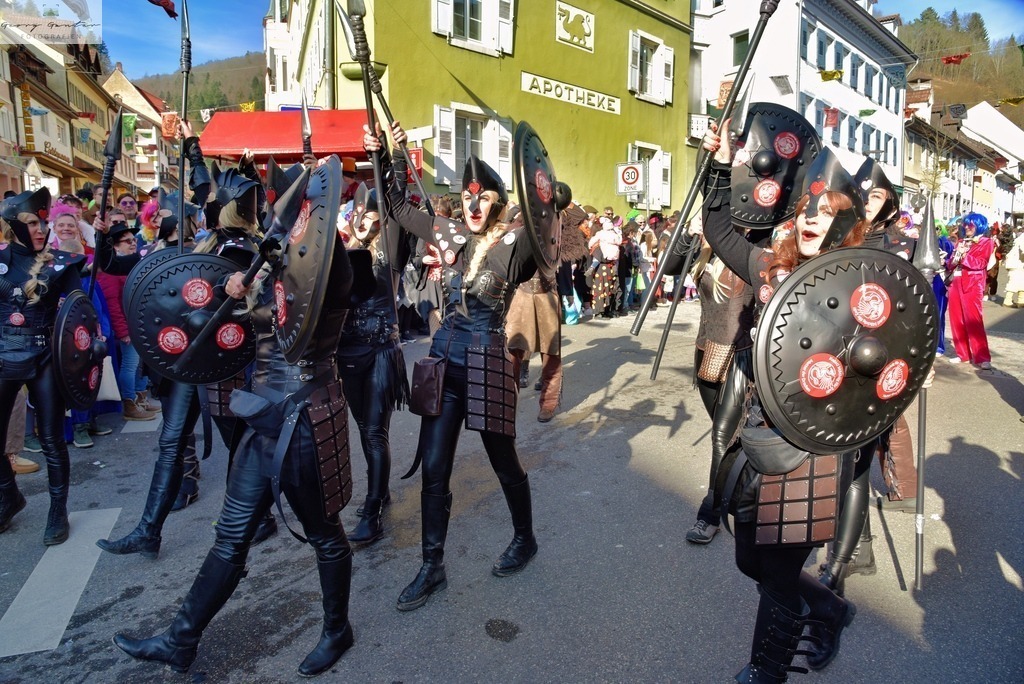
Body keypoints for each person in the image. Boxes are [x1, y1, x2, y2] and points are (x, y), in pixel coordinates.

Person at [113, 163, 363, 677]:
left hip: (306, 411)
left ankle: (338, 628)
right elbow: (255, 315)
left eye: (283, 214)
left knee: (325, 534)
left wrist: (251, 292)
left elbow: (298, 308)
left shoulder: (328, 263)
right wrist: (236, 292)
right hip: (263, 407)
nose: (272, 223)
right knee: (230, 535)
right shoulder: (276, 257)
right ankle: (181, 640)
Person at [701, 122, 868, 681]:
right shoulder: (772, 269)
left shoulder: (863, 287)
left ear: (847, 219)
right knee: (750, 556)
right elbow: (721, 231)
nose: (814, 215)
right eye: (808, 207)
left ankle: (764, 672)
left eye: (829, 207)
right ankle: (829, 607)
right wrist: (722, 167)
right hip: (762, 432)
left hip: (815, 446)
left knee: (776, 574)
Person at [367, 121, 545, 611]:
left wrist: (540, 191)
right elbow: (400, 209)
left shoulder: (514, 244)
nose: (472, 206)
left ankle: (524, 538)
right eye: (468, 198)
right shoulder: (445, 231)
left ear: (497, 203)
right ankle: (432, 566)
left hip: (487, 362)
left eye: (483, 198)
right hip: (443, 362)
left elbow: (545, 232)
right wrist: (391, 155)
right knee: (435, 470)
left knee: (503, 460)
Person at [95, 128, 269, 559]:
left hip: (224, 364)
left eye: (214, 206)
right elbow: (203, 188)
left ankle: (257, 516)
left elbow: (256, 311)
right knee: (171, 441)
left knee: (237, 443)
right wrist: (192, 149)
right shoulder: (207, 243)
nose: (205, 207)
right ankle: (148, 530)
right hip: (191, 363)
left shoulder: (250, 252)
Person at [0, 188, 86, 544]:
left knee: (52, 440)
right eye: (32, 222)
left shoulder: (60, 264)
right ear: (12, 226)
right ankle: (9, 496)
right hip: (3, 357)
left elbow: (80, 315)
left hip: (46, 357)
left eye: (42, 221)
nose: (40, 228)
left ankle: (57, 510)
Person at [337, 180, 412, 545]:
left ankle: (373, 510)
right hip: (347, 355)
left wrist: (385, 160)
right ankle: (379, 493)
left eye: (370, 215)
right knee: (365, 429)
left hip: (382, 352)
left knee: (372, 432)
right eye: (356, 214)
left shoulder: (389, 251)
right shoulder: (338, 252)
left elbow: (398, 211)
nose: (362, 220)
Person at [94, 212, 157, 422]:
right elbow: (112, 304)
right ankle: (129, 403)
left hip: (136, 324)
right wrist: (123, 331)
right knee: (129, 365)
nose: (132, 243)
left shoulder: (130, 264)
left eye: (134, 240)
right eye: (127, 241)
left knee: (138, 365)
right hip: (126, 328)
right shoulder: (111, 271)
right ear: (115, 246)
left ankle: (139, 399)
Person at [945, 212, 995, 369]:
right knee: (956, 319)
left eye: (970, 225)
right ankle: (963, 354)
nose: (966, 227)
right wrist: (950, 260)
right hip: (956, 282)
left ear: (979, 226)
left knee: (973, 320)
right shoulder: (961, 241)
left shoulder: (986, 242)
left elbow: (981, 263)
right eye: (965, 224)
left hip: (973, 283)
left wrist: (964, 256)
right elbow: (952, 263)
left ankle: (982, 357)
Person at [587, 217, 621, 318]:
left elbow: (591, 245)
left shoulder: (600, 237)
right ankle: (602, 310)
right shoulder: (614, 236)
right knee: (607, 288)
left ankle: (601, 310)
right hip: (610, 266)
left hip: (603, 266)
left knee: (602, 288)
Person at [1003, 223, 1024, 307]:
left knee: (1022, 281)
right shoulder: (1022, 238)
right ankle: (1007, 301)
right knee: (1014, 281)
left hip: (1019, 263)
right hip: (1016, 263)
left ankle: (1021, 300)